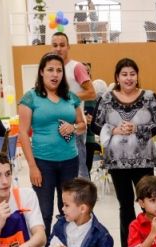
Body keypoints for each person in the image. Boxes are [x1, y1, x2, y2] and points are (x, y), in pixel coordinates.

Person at [91, 58, 156, 247]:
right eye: (124, 74)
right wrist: (113, 130)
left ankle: (152, 246)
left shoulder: (149, 97)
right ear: (117, 77)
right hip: (117, 162)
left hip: (144, 160)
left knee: (149, 204)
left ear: (137, 76)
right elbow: (95, 125)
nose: (128, 78)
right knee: (125, 206)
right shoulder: (106, 98)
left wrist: (138, 128)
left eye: (132, 74)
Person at [19, 52, 85, 237]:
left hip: (70, 161)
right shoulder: (30, 98)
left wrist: (73, 127)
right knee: (44, 211)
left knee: (68, 210)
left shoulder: (70, 97)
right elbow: (23, 133)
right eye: (50, 70)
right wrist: (32, 167)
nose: (55, 74)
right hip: (43, 162)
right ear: (41, 72)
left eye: (59, 70)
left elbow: (82, 125)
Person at [51, 31, 96, 178]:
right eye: (55, 45)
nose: (58, 48)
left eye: (62, 45)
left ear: (68, 46)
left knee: (79, 171)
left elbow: (91, 92)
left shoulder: (76, 67)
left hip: (75, 125)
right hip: (53, 127)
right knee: (61, 173)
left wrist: (68, 97)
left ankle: (85, 200)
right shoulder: (50, 69)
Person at [49, 177, 114, 247]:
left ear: (82, 208)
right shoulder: (60, 225)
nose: (62, 208)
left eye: (66, 205)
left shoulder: (102, 235)